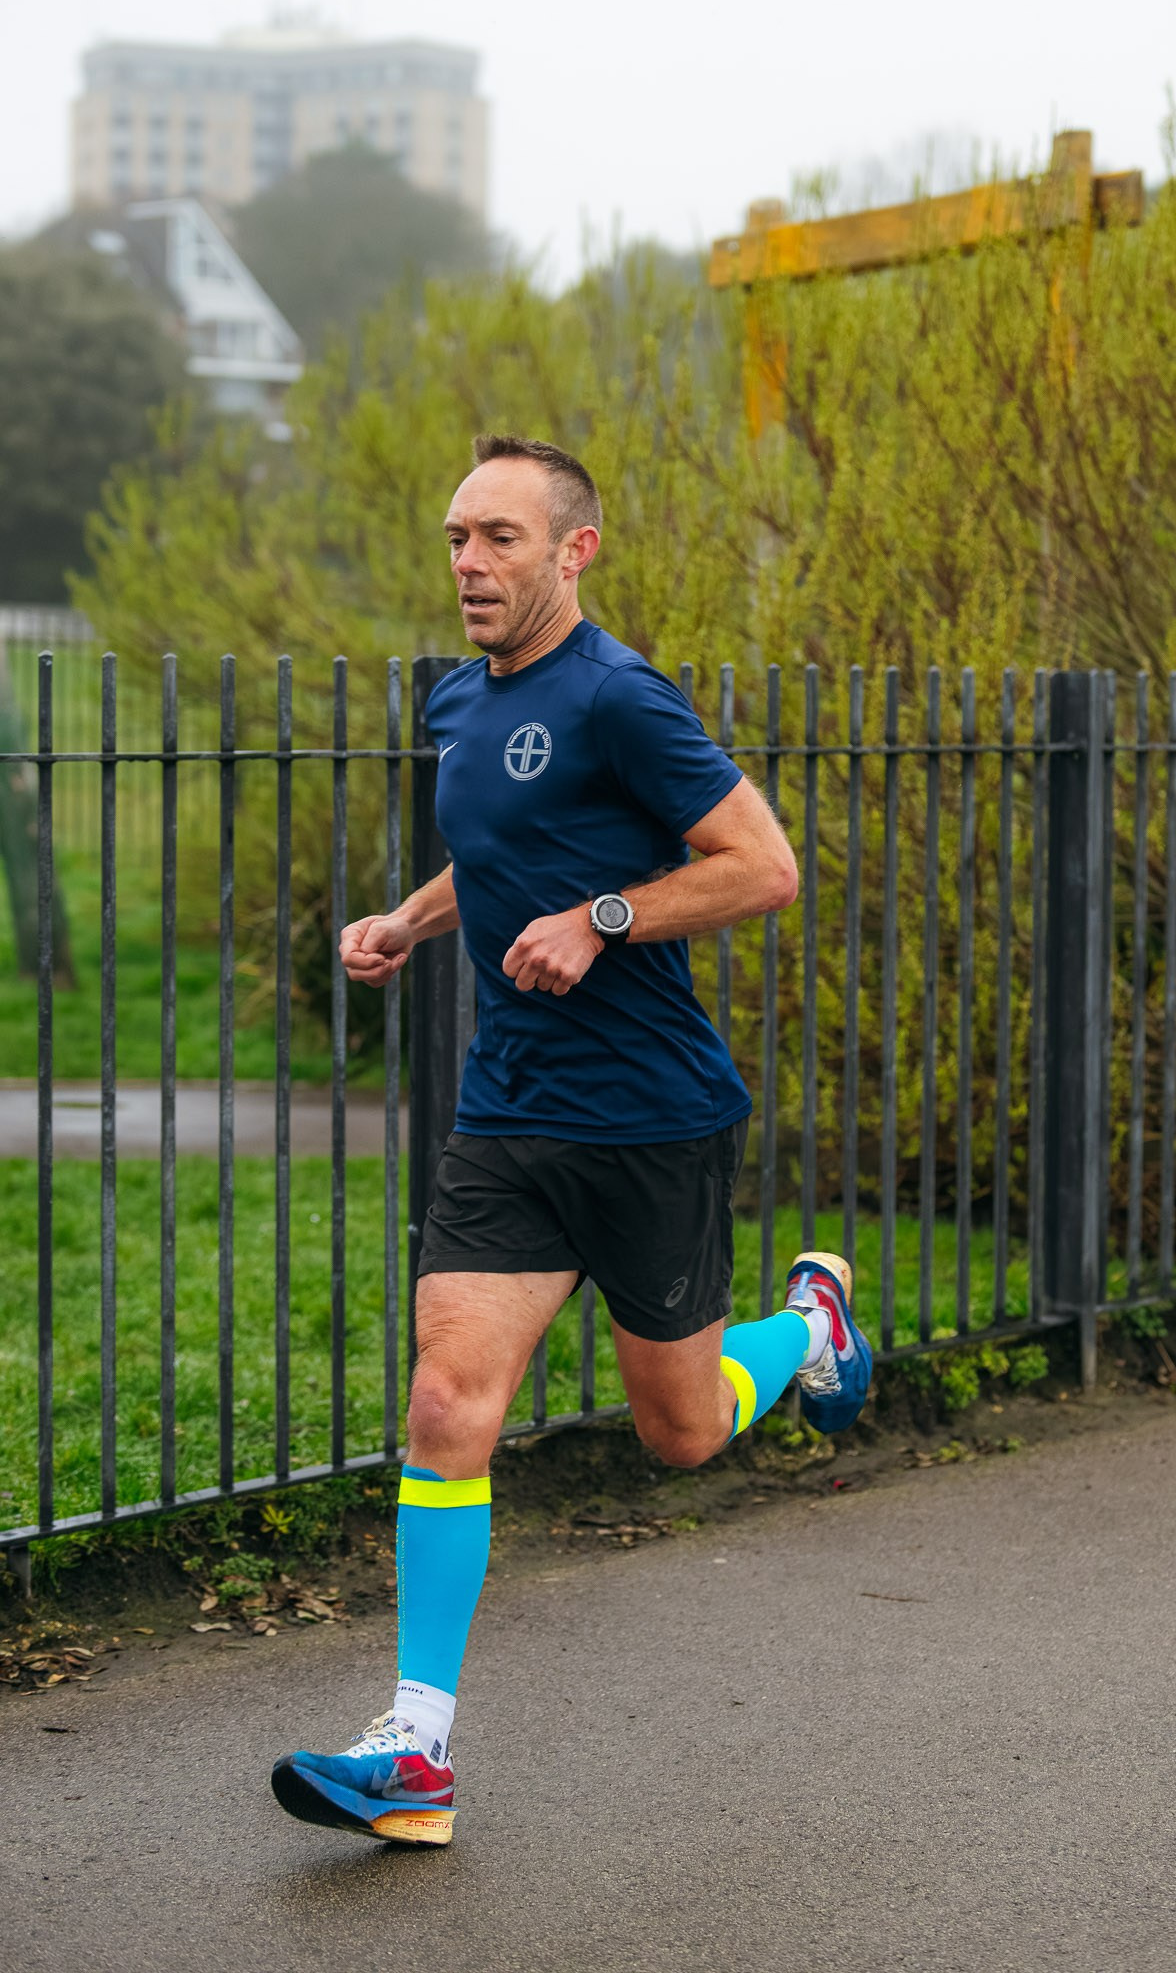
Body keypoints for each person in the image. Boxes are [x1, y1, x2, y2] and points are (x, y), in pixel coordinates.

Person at [270, 435, 872, 1846]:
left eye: (501, 538)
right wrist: (409, 922)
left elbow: (764, 869)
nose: (470, 564)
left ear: (573, 550)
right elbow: (499, 844)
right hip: (510, 1109)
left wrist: (603, 920)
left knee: (681, 1432)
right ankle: (416, 1752)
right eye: (456, 538)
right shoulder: (456, 700)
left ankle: (810, 1327)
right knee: (446, 1401)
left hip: (651, 1119)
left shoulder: (620, 697)